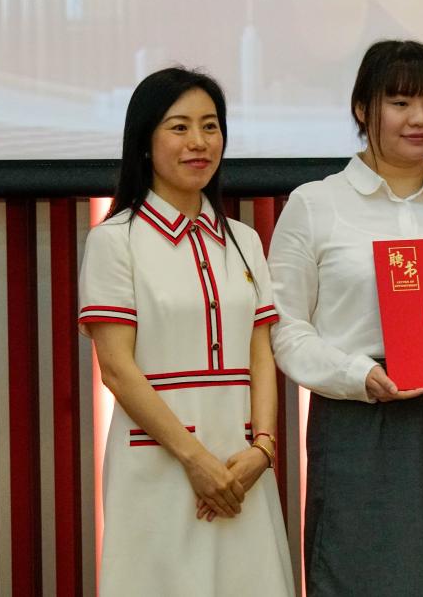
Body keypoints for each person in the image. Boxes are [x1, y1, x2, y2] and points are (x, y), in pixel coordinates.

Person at [268, 39, 423, 596]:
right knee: (357, 573)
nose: (420, 119)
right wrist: (358, 376)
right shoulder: (315, 203)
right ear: (363, 109)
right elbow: (286, 328)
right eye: (400, 103)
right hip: (358, 419)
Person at [78, 67, 294, 596]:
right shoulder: (115, 240)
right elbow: (117, 370)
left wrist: (263, 450)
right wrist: (195, 461)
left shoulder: (243, 239)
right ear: (144, 142)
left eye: (210, 126)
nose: (199, 142)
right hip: (159, 463)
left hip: (243, 468)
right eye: (179, 127)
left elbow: (260, 353)